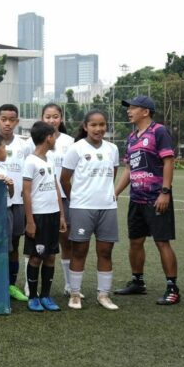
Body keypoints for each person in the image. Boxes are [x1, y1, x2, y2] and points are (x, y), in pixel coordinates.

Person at [113, 95, 180, 304]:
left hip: (156, 197)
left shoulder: (159, 131)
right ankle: (138, 281)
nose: (128, 111)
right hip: (137, 198)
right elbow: (129, 169)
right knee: (135, 242)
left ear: (146, 111)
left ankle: (172, 287)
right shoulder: (132, 137)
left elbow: (168, 161)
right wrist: (115, 192)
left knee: (162, 242)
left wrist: (165, 192)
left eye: (133, 108)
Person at [61, 110, 120, 311]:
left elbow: (113, 174)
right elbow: (64, 179)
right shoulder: (75, 149)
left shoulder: (112, 149)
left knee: (106, 251)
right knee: (79, 251)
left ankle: (103, 295)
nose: (98, 129)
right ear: (85, 126)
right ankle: (75, 293)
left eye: (102, 124)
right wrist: (76, 198)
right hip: (82, 208)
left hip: (107, 207)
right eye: (93, 125)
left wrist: (104, 194)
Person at [22, 121, 67, 312]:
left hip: (53, 215)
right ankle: (33, 297)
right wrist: (30, 221)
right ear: (48, 137)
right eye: (54, 135)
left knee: (50, 256)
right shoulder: (30, 161)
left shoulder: (48, 160)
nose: (56, 138)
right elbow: (26, 193)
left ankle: (46, 296)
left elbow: (56, 187)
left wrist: (62, 215)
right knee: (36, 257)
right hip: (38, 217)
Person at [0, 104, 32, 301]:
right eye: (3, 119)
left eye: (11, 120)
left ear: (17, 121)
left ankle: (11, 285)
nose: (7, 123)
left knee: (14, 244)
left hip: (17, 202)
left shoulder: (25, 145)